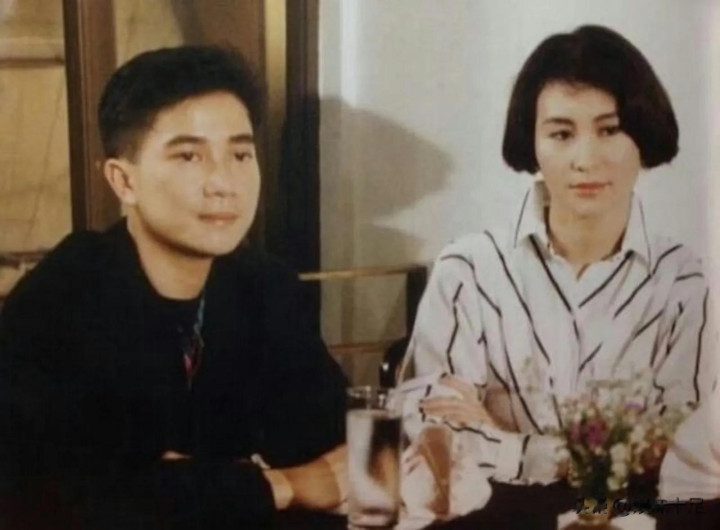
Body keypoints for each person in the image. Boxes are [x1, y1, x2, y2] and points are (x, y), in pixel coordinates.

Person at [0, 45, 347, 529]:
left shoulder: (265, 287)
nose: (223, 183)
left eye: (241, 154)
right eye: (188, 156)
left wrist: (197, 485)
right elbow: (73, 498)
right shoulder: (64, 295)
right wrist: (282, 485)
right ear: (124, 182)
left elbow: (347, 453)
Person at [401, 25, 716, 528]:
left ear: (644, 135)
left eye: (610, 130)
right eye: (562, 134)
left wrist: (506, 443)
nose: (585, 160)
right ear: (532, 141)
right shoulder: (469, 270)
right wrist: (590, 454)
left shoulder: (686, 284)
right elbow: (433, 433)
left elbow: (679, 450)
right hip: (492, 519)